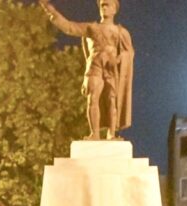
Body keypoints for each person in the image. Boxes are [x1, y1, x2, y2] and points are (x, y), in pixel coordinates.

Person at [40, 0, 133, 140]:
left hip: (110, 67)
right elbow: (69, 27)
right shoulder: (92, 28)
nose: (104, 7)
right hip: (95, 65)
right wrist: (51, 11)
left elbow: (129, 52)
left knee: (112, 100)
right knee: (92, 98)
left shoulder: (121, 32)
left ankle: (111, 134)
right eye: (102, 5)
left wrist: (118, 59)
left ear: (115, 9)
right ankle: (94, 133)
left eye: (107, 4)